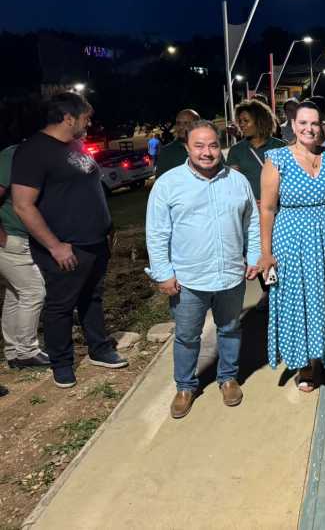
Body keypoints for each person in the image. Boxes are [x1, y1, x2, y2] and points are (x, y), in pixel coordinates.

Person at [11, 92, 128, 389]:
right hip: (64, 246)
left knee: (93, 297)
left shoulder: (73, 145)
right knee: (61, 306)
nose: (89, 123)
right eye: (86, 118)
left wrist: (106, 228)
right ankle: (62, 363)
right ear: (68, 118)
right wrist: (54, 246)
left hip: (94, 241)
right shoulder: (33, 151)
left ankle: (99, 349)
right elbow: (23, 205)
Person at [145, 120, 260, 419]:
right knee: (186, 336)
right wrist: (163, 273)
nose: (206, 152)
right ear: (187, 147)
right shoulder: (168, 184)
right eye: (199, 146)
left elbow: (253, 222)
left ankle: (228, 377)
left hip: (230, 275)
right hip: (187, 279)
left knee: (230, 328)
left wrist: (254, 255)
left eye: (212, 145)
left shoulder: (238, 182)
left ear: (219, 146)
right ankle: (185, 386)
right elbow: (157, 233)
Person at [258, 101, 325, 392]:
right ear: (293, 126)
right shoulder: (277, 159)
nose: (309, 128)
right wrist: (266, 252)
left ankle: (323, 354)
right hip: (291, 243)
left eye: (315, 123)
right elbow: (268, 209)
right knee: (298, 302)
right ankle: (306, 365)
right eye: (303, 123)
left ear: (322, 126)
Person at [0, 143, 48, 368]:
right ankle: (27, 351)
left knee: (15, 294)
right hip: (11, 238)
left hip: (17, 237)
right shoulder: (14, 155)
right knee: (34, 291)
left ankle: (13, 353)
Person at [227, 99, 287, 202]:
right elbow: (233, 185)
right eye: (240, 121)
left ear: (260, 121)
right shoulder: (236, 150)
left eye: (246, 121)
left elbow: (289, 181)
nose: (241, 125)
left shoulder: (281, 147)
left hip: (278, 210)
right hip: (250, 211)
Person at [155, 109, 199, 178]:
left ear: (197, 125)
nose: (181, 127)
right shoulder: (166, 152)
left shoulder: (209, 149)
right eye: (178, 123)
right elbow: (160, 185)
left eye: (186, 123)